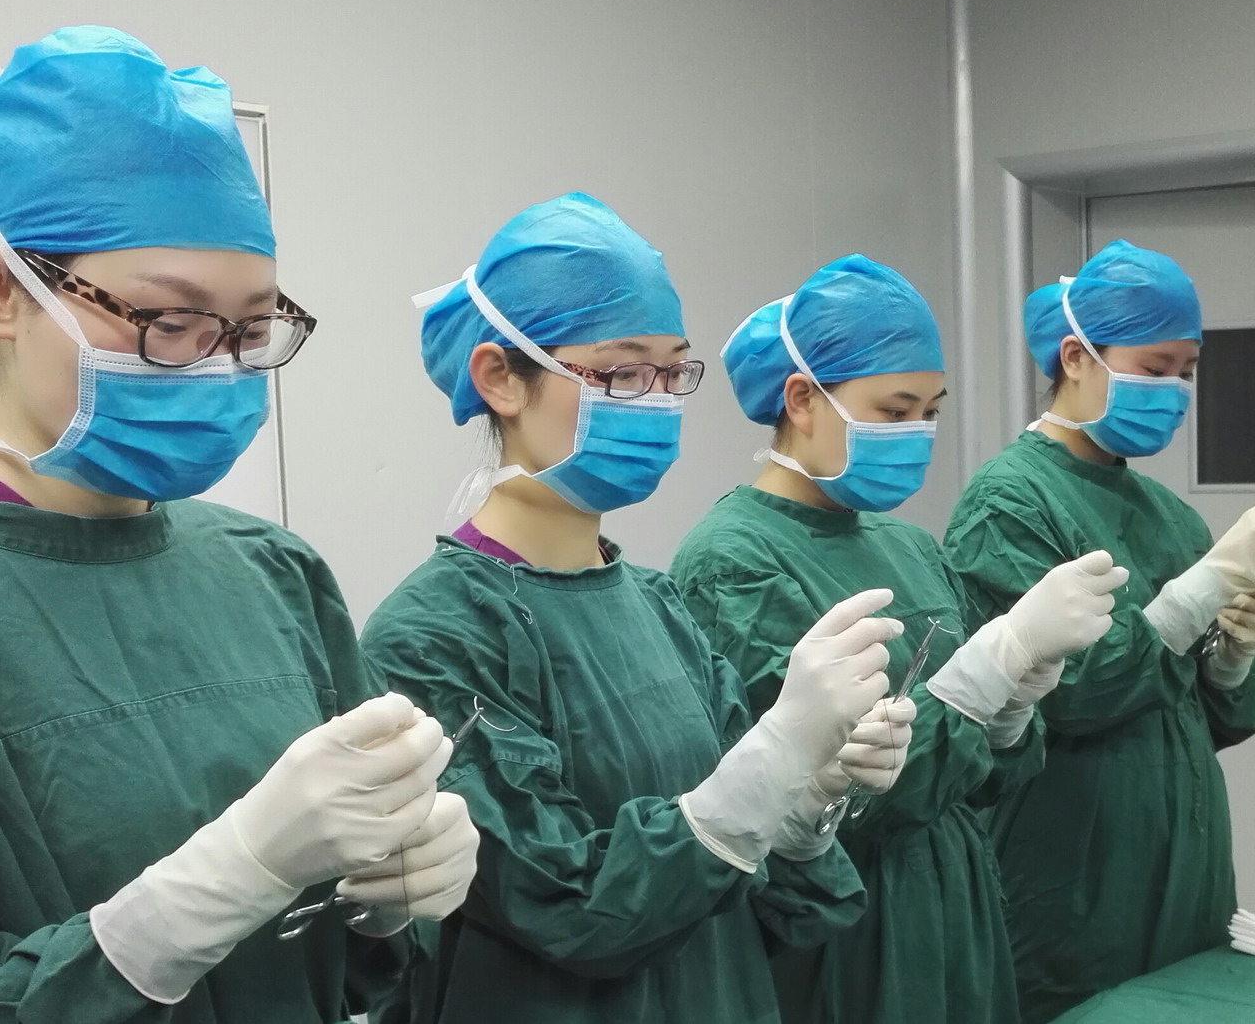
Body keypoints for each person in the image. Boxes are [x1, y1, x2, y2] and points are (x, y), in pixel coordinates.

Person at [0, 26, 478, 1023]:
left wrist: (382, 909)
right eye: (169, 323)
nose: (218, 364)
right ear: (10, 293)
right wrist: (209, 890)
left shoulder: (272, 574)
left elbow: (351, 978)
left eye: (252, 328)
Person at [360, 194, 914, 1024]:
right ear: (500, 377)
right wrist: (768, 764)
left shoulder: (657, 604)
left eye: (672, 372)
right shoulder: (435, 635)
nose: (655, 400)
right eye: (622, 373)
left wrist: (808, 795)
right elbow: (571, 909)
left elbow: (774, 904)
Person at [671, 254, 1129, 1024]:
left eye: (930, 410)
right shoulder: (732, 559)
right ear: (802, 399)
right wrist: (990, 665)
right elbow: (829, 796)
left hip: (956, 901)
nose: (917, 432)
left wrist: (1016, 705)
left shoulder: (911, 546)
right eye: (893, 410)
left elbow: (983, 778)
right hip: (846, 926)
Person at [943, 240, 1255, 1022]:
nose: (1174, 389)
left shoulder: (1170, 516)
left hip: (1186, 872)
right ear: (1077, 357)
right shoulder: (1009, 502)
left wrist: (1232, 660)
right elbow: (1068, 695)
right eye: (1154, 366)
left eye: (1187, 370)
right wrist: (1200, 589)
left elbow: (1202, 720)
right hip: (1072, 881)